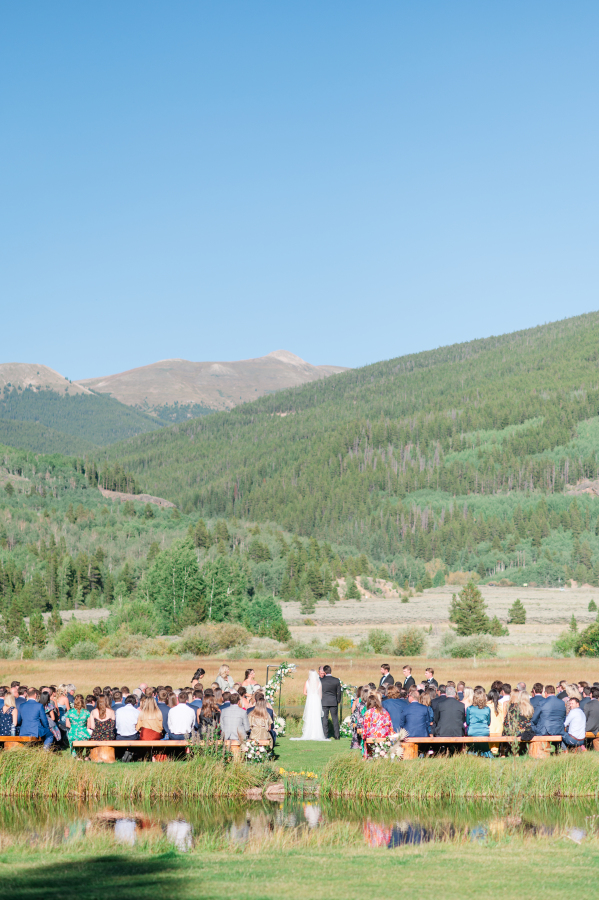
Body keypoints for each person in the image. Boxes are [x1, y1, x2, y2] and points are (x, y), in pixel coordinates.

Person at [291, 669, 327, 741]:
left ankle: (310, 733)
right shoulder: (318, 683)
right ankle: (317, 734)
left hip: (310, 700)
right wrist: (316, 697)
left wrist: (310, 694)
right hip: (316, 700)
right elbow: (320, 695)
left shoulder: (307, 682)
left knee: (310, 715)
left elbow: (304, 692)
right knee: (316, 716)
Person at [465, 687, 491, 752]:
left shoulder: (469, 708)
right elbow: (488, 723)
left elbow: (467, 722)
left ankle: (473, 751)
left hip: (472, 731)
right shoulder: (487, 709)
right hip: (484, 731)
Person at [321, 665, 342, 739]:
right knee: (335, 719)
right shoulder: (336, 680)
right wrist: (338, 700)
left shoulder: (321, 680)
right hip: (333, 702)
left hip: (324, 702)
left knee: (324, 719)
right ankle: (337, 735)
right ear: (331, 671)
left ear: (324, 672)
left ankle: (325, 735)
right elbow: (339, 692)